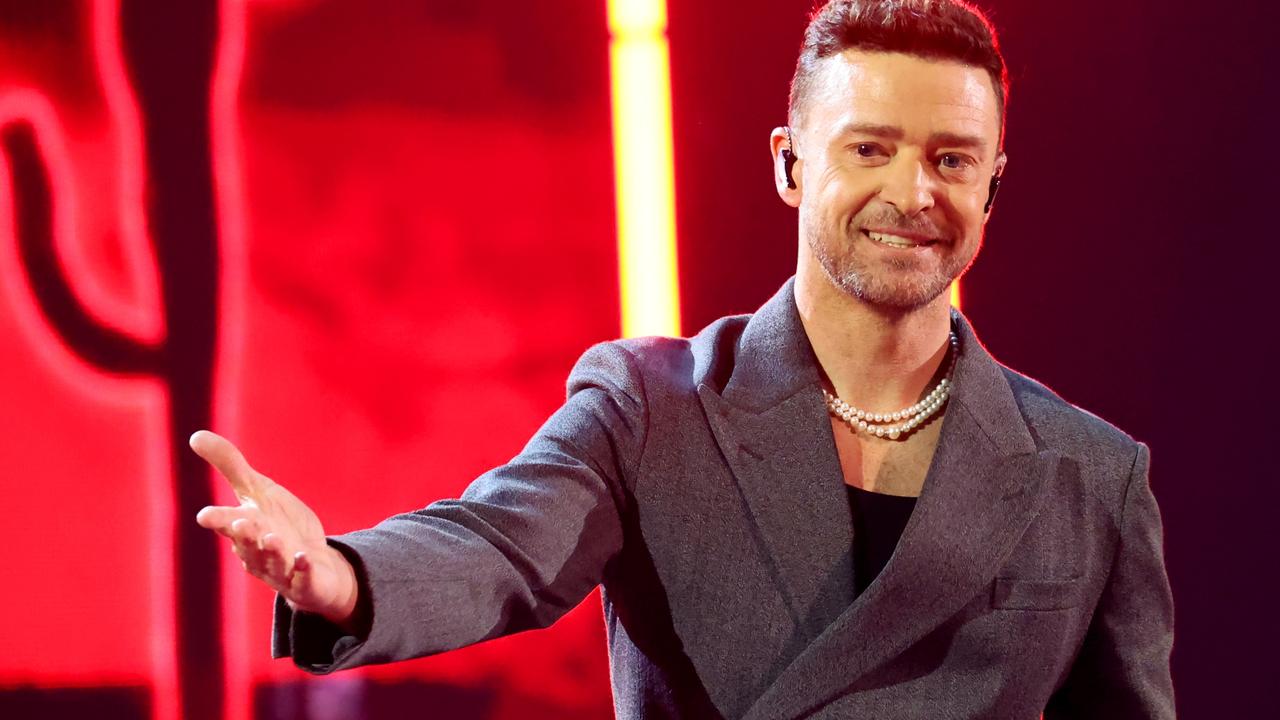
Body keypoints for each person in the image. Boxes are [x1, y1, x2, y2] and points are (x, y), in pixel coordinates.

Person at [192, 1, 1176, 717]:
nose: (911, 191)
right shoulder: (648, 408)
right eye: (868, 150)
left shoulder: (1088, 473)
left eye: (950, 159)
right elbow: (496, 551)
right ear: (790, 164)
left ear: (992, 187)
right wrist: (341, 577)